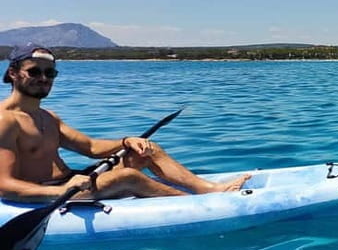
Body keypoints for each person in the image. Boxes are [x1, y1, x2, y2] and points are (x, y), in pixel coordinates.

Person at [0, 43, 249, 203]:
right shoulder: (5, 120)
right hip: (48, 192)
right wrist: (61, 192)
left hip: (73, 181)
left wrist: (126, 141)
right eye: (34, 72)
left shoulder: (47, 117)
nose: (43, 78)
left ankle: (209, 190)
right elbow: (5, 186)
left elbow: (90, 147)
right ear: (13, 73)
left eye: (50, 73)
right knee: (126, 177)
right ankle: (198, 206)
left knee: (146, 149)